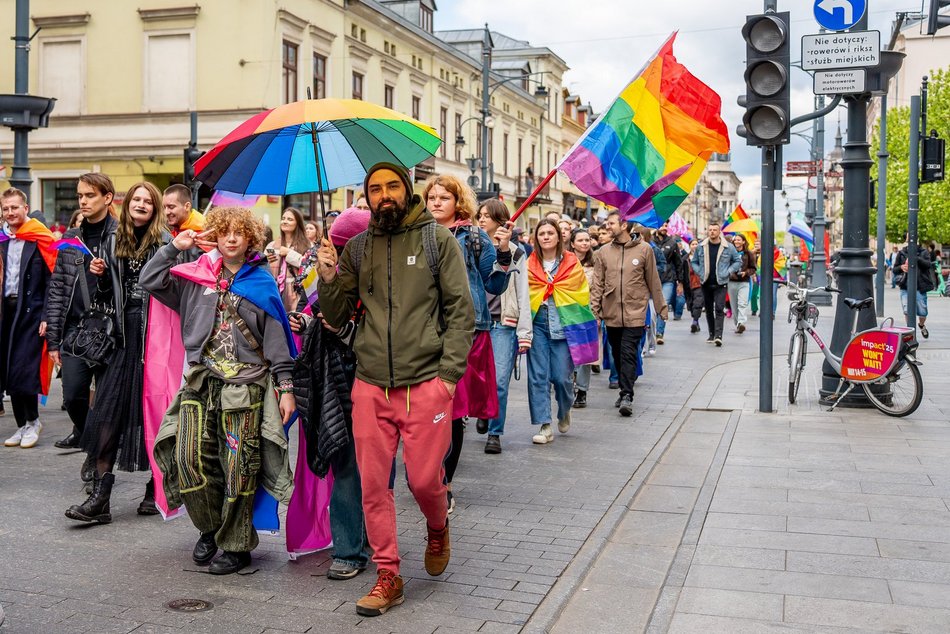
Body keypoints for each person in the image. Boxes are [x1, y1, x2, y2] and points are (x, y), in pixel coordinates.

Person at [316, 162, 474, 616]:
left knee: (424, 481)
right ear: (366, 198)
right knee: (372, 486)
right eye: (375, 189)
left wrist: (448, 378)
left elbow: (460, 311)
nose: (384, 195)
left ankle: (437, 525)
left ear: (406, 190)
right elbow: (338, 315)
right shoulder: (358, 247)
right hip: (370, 386)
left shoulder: (436, 240)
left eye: (391, 187)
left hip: (426, 384)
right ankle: (388, 574)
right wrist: (328, 278)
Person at [142, 206, 296, 576]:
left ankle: (236, 544)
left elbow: (277, 339)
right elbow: (150, 279)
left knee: (240, 468)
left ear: (250, 239)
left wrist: (286, 387)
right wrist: (175, 247)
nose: (231, 238)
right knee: (188, 458)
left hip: (246, 386)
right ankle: (210, 528)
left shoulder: (261, 281)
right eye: (224, 231)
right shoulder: (195, 277)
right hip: (201, 381)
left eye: (238, 232)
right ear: (214, 235)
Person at [65, 182, 169, 523]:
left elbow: (174, 290)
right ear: (127, 205)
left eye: (148, 201)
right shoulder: (113, 240)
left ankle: (156, 488)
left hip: (154, 334)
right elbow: (107, 297)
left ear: (154, 208)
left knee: (153, 412)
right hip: (123, 335)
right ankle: (101, 498)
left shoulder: (166, 243)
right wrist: (100, 276)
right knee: (107, 411)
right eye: (136, 199)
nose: (141, 204)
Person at [291, 206, 372, 581]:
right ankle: (349, 549)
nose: (341, 254)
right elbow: (314, 310)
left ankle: (366, 538)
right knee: (344, 460)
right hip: (334, 375)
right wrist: (307, 321)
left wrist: (345, 329)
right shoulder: (321, 271)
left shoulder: (379, 276)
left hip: (373, 375)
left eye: (347, 247)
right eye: (338, 247)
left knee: (372, 465)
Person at [423, 175, 509, 510]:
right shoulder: (415, 234)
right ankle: (426, 475)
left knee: (453, 412)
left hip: (465, 333)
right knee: (427, 411)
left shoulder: (474, 236)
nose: (436, 202)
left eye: (443, 197)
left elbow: (495, 284)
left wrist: (503, 252)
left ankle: (444, 483)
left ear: (457, 202)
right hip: (422, 333)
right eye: (431, 197)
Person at [46, 174, 118, 457]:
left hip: (112, 331)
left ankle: (97, 456)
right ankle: (87, 435)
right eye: (80, 196)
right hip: (76, 330)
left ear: (107, 198)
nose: (83, 201)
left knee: (107, 400)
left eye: (90, 195)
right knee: (73, 394)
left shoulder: (120, 234)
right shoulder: (70, 238)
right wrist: (53, 340)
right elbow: (57, 288)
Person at [526, 219, 597, 442]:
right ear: (536, 238)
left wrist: (555, 289)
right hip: (537, 322)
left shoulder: (571, 262)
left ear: (559, 237)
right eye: (541, 233)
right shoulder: (530, 263)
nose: (546, 237)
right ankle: (544, 425)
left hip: (564, 323)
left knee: (561, 378)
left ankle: (564, 409)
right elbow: (524, 292)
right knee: (538, 376)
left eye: (550, 233)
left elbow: (581, 292)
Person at [591, 213, 667, 417]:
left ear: (624, 225)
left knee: (628, 352)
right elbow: (597, 284)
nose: (607, 226)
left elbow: (653, 280)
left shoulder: (645, 249)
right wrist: (595, 311)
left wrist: (661, 307)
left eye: (611, 223)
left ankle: (626, 395)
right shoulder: (603, 252)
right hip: (611, 312)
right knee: (616, 353)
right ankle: (624, 387)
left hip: (636, 311)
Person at [1, 188, 55, 448]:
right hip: (5, 313)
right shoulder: (2, 239)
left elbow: (52, 280)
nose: (10, 212)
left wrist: (47, 315)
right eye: (6, 208)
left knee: (24, 370)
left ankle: (33, 422)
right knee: (9, 371)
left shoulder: (40, 237)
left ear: (25, 208)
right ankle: (22, 425)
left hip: (31, 313)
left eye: (15, 207)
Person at [477, 198, 530, 454]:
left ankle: (495, 433)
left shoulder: (517, 252)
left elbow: (522, 292)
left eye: (487, 215)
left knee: (499, 381)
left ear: (500, 220)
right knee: (476, 378)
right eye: (479, 215)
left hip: (503, 323)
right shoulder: (472, 245)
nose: (481, 219)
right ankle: (482, 411)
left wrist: (524, 333)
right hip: (475, 323)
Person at [691, 222, 741, 347]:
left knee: (719, 308)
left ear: (719, 232)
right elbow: (694, 262)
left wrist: (728, 271)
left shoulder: (728, 247)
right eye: (710, 230)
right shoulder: (701, 246)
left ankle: (718, 336)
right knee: (708, 309)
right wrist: (699, 272)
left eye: (715, 230)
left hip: (721, 282)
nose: (712, 232)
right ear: (708, 232)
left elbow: (737, 261)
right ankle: (712, 334)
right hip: (706, 282)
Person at [568, 228, 596, 409]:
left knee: (585, 355)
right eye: (580, 240)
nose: (585, 243)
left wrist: (597, 312)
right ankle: (569, 385)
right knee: (569, 353)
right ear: (572, 243)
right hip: (567, 312)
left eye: (587, 240)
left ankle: (582, 390)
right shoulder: (564, 262)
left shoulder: (595, 263)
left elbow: (599, 288)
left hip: (587, 313)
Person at [265, 207, 309, 312]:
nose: (285, 221)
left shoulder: (307, 245)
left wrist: (289, 253)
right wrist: (265, 260)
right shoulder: (271, 246)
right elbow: (262, 270)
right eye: (283, 218)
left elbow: (310, 267)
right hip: (275, 294)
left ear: (297, 223)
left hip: (297, 295)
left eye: (290, 219)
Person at [894, 235, 934, 338]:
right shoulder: (901, 253)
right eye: (908, 236)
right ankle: (909, 331)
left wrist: (917, 258)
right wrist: (901, 267)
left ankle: (921, 325)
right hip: (905, 286)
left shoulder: (924, 252)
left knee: (922, 311)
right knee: (907, 310)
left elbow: (928, 265)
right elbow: (895, 269)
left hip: (920, 286)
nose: (910, 237)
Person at [653, 221, 682, 344]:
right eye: (662, 225)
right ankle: (651, 331)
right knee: (653, 307)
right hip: (652, 279)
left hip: (668, 279)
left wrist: (680, 282)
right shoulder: (650, 241)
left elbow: (678, 262)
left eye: (666, 226)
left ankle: (659, 332)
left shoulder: (672, 243)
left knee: (663, 304)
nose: (664, 228)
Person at [162, 184, 204, 263]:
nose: (166, 212)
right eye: (164, 207)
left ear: (187, 206)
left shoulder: (203, 233)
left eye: (171, 207)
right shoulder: (169, 230)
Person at [727, 234, 757, 334]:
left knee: (742, 303)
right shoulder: (729, 253)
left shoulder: (748, 254)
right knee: (734, 305)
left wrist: (746, 273)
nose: (737, 241)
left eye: (739, 240)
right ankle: (738, 324)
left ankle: (741, 322)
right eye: (735, 240)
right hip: (732, 282)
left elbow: (753, 268)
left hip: (744, 282)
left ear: (744, 241)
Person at [686, 239, 705, 333]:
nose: (694, 246)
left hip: (699, 283)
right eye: (693, 244)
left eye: (696, 244)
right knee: (691, 305)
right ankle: (696, 322)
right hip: (688, 285)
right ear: (689, 246)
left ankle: (695, 321)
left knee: (698, 303)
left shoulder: (703, 257)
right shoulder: (685, 258)